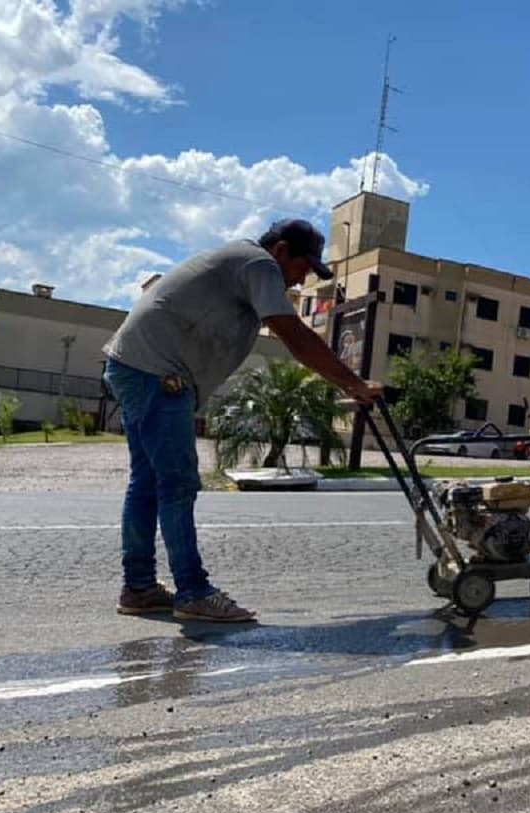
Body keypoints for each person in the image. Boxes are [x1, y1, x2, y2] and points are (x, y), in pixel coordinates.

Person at [103, 219, 382, 623]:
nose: (302, 280)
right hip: (157, 373)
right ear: (282, 250)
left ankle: (140, 588)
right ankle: (193, 591)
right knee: (177, 484)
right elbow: (294, 334)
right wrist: (353, 383)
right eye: (303, 266)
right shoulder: (259, 264)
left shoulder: (242, 265)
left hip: (135, 366)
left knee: (148, 482)